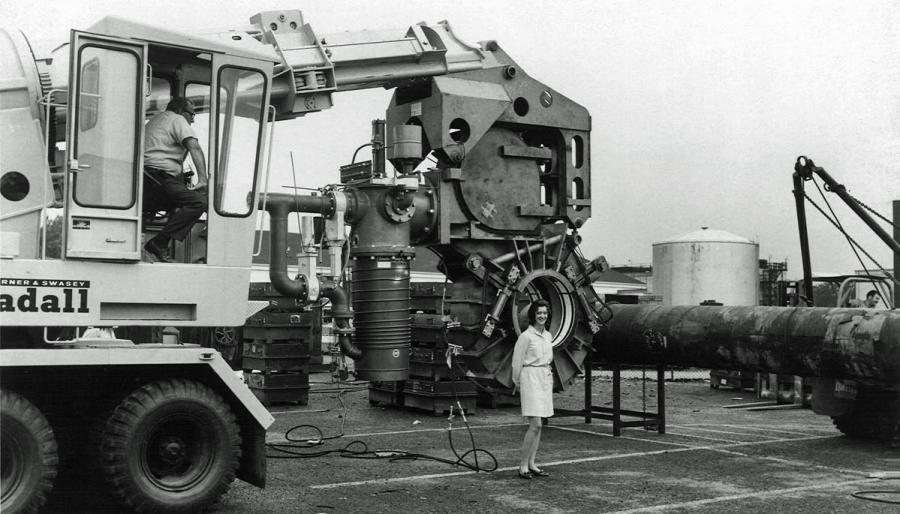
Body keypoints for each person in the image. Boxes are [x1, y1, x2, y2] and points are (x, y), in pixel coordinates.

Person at [142, 97, 208, 262]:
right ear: (181, 111)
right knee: (198, 202)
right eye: (192, 114)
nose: (193, 119)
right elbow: (194, 147)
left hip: (146, 180)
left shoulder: (156, 120)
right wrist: (203, 179)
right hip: (156, 177)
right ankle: (159, 243)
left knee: (181, 203)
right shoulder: (177, 119)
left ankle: (162, 245)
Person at [511, 299, 554, 479]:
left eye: (544, 313)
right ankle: (522, 466)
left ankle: (532, 463)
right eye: (539, 313)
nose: (542, 316)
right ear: (533, 315)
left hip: (544, 378)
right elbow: (516, 362)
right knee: (534, 424)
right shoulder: (525, 336)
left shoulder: (548, 336)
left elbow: (548, 359)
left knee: (540, 425)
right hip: (529, 379)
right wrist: (518, 382)